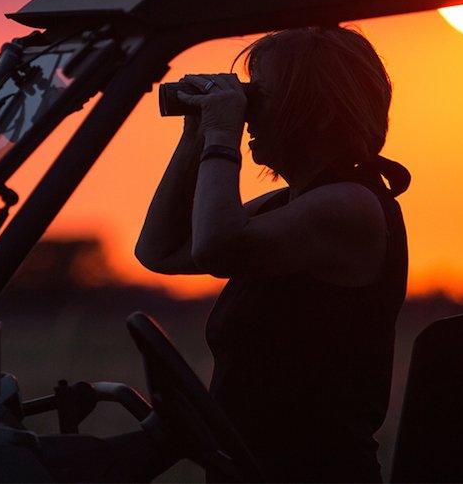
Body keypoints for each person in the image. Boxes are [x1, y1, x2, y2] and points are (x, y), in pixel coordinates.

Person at [135, 25, 411, 483]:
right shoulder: (291, 205)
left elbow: (215, 247)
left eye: (259, 96)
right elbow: (160, 251)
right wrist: (196, 135)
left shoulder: (352, 205)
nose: (248, 114)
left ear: (321, 112)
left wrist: (222, 133)